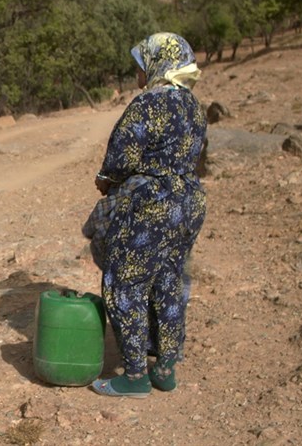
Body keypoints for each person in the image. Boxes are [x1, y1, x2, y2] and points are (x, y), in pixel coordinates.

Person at [89, 32, 206, 399]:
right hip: (188, 202)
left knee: (125, 283)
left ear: (156, 65)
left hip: (152, 204)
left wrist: (106, 180)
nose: (137, 73)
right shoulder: (193, 105)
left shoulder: (148, 105)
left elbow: (121, 158)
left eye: (140, 65)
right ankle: (166, 368)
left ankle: (136, 375)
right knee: (169, 282)